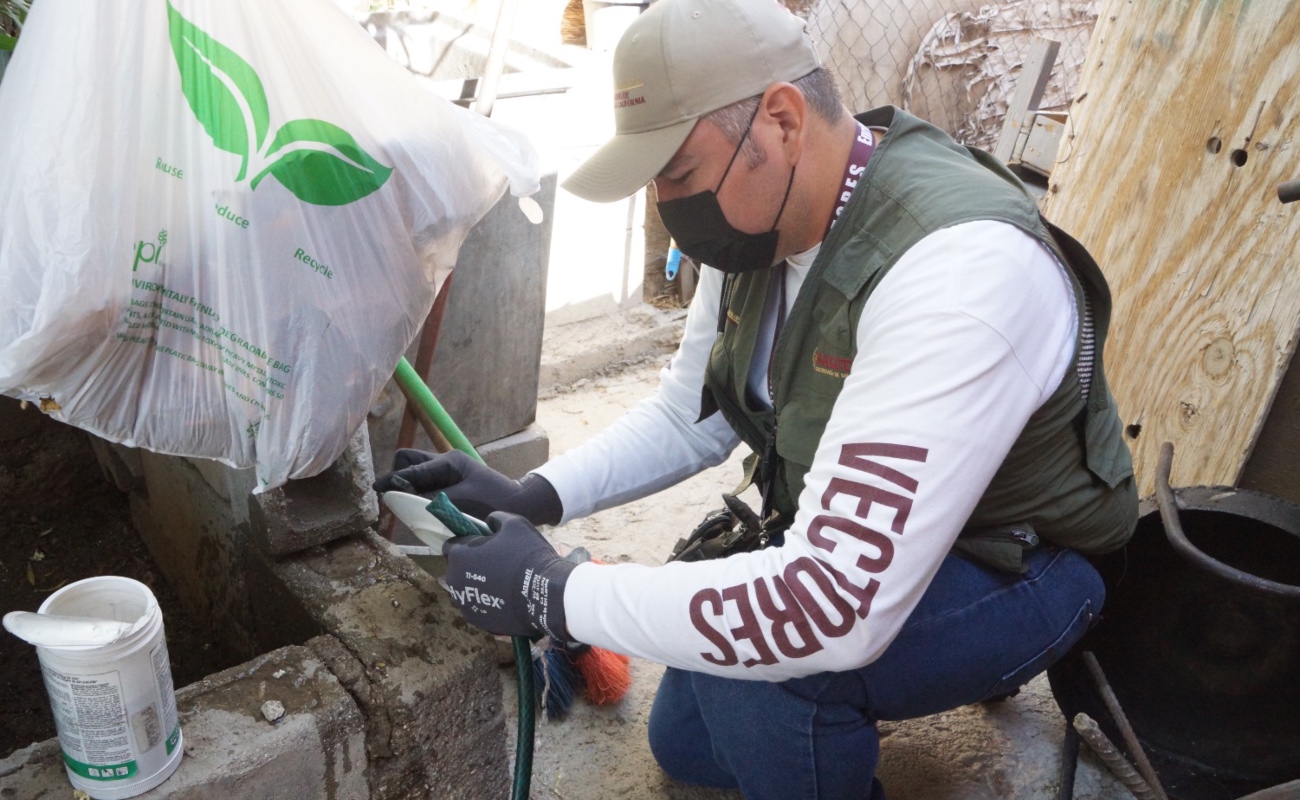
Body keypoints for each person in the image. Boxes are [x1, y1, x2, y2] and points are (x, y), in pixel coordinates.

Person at [374, 0, 1138, 795]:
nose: (668, 210)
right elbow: (688, 414)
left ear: (779, 120)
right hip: (890, 536)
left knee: (759, 674)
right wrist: (536, 492)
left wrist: (557, 593)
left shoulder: (956, 271)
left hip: (1020, 559)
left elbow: (825, 601)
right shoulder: (764, 226)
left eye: (679, 172)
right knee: (688, 742)